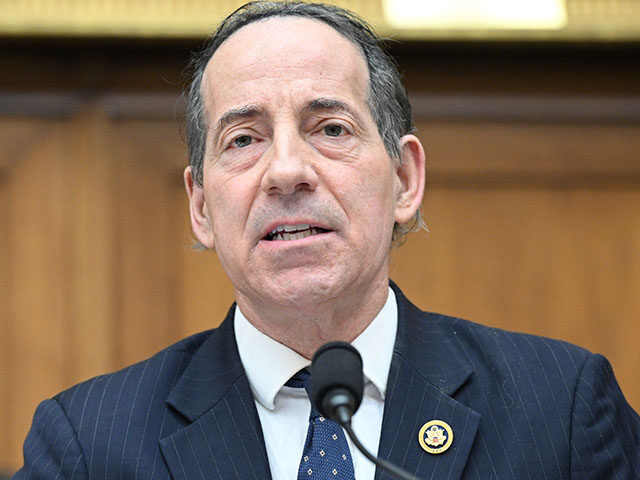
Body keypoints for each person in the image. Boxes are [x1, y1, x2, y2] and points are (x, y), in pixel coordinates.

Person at [14, 2, 640, 479]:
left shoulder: (560, 411)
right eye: (244, 140)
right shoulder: (87, 445)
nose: (287, 171)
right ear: (201, 206)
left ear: (403, 179)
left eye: (330, 128)